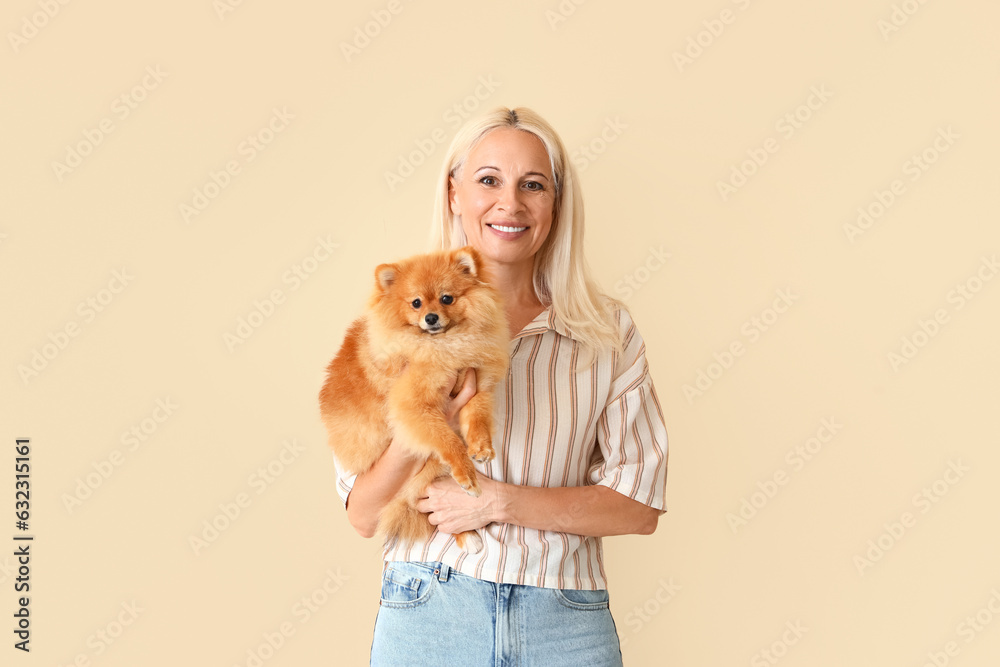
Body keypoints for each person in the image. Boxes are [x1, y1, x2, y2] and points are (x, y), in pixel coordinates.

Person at [334, 106, 669, 666]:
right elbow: (363, 514)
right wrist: (426, 418)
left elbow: (638, 508)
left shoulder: (607, 334)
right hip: (429, 612)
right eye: (488, 180)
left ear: (555, 205)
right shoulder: (392, 328)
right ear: (453, 194)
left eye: (532, 185)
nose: (509, 203)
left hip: (565, 622)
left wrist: (496, 503)